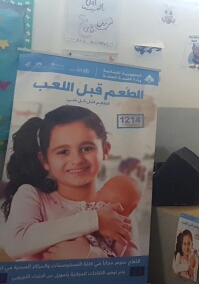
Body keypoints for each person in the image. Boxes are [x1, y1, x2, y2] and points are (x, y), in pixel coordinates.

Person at [1, 106, 136, 260]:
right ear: (45, 160)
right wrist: (95, 220)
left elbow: (131, 268)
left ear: (105, 150)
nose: (76, 160)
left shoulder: (118, 208)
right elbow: (15, 243)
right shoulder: (32, 196)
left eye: (87, 148)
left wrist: (88, 255)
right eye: (63, 152)